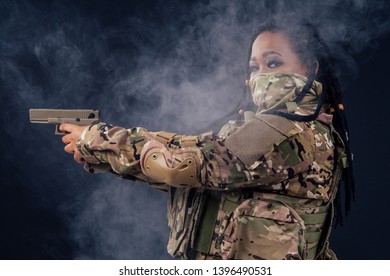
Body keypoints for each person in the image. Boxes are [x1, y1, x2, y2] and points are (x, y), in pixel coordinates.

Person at [60, 21, 355, 260]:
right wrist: (102, 153)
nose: (261, 76)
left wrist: (96, 138)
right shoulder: (273, 128)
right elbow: (192, 156)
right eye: (255, 67)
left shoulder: (288, 132)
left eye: (273, 63)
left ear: (310, 69)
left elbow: (186, 167)